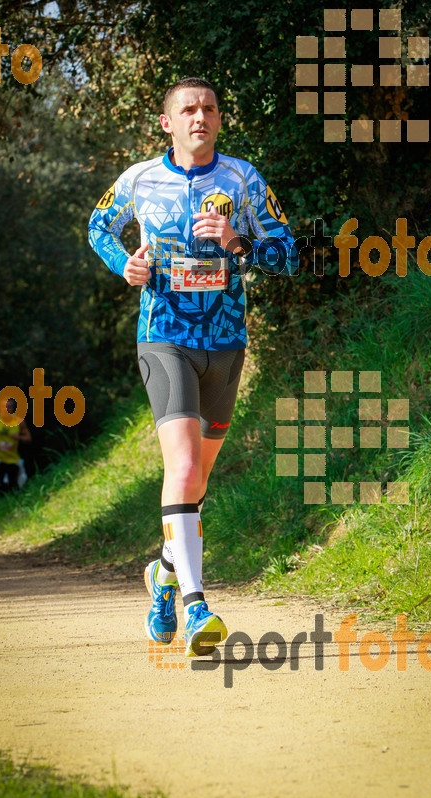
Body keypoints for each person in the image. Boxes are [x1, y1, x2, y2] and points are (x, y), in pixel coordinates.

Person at [88, 76, 297, 657]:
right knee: (180, 468)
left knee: (196, 481)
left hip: (227, 343)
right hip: (164, 339)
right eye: (188, 109)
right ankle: (196, 604)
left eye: (208, 108)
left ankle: (163, 573)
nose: (199, 116)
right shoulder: (138, 180)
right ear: (168, 123)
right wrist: (123, 265)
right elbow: (97, 227)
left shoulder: (243, 180)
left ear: (219, 120)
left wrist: (240, 242)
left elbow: (290, 252)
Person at [0, 398, 31, 492]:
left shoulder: (19, 421)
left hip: (13, 458)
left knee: (20, 480)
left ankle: (19, 495)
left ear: (12, 409)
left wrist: (19, 438)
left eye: (8, 407)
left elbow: (28, 438)